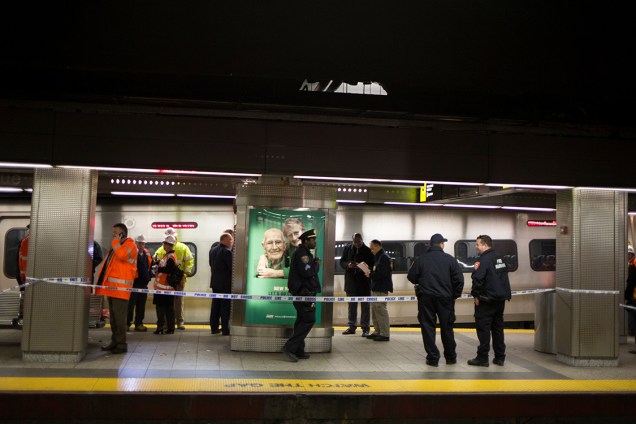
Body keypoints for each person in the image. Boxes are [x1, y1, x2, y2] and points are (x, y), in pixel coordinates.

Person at [407, 233, 464, 366]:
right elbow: (459, 280)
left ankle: (433, 358)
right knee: (447, 328)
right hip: (446, 299)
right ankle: (450, 357)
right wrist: (454, 295)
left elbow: (411, 277)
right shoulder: (450, 260)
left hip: (426, 299)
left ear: (431, 245)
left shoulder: (421, 259)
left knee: (428, 328)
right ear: (442, 245)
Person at [467, 234, 512, 367]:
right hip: (500, 300)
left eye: (477, 244)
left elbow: (477, 279)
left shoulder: (483, 260)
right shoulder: (500, 258)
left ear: (485, 245)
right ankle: (500, 357)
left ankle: (482, 358)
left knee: (484, 329)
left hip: (486, 301)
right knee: (498, 329)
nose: (476, 247)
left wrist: (475, 295)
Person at [95, 223, 138, 354]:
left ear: (123, 234)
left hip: (121, 289)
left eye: (116, 233)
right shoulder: (117, 246)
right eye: (113, 233)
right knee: (113, 319)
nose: (113, 235)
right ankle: (115, 341)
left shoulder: (130, 245)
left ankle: (121, 344)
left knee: (119, 318)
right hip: (112, 288)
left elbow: (122, 256)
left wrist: (115, 241)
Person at [282, 229, 321, 362]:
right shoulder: (302, 254)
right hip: (304, 293)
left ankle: (299, 350)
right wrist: (316, 265)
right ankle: (289, 347)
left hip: (305, 293)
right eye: (313, 240)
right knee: (308, 320)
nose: (315, 242)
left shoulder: (304, 253)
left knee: (301, 321)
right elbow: (308, 272)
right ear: (306, 241)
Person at [153, 227, 194, 330]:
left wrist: (185, 273)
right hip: (175, 280)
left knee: (169, 303)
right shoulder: (181, 247)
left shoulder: (165, 248)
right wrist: (184, 274)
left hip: (170, 280)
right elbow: (190, 262)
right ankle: (177, 323)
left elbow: (189, 262)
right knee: (176, 302)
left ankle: (171, 323)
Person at [339, 233, 374, 336]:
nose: (357, 243)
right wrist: (348, 265)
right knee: (351, 306)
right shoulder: (347, 249)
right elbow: (341, 262)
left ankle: (365, 328)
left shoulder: (368, 251)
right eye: (355, 242)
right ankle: (351, 327)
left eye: (359, 241)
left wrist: (364, 267)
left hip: (364, 283)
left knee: (365, 307)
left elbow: (372, 265)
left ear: (362, 240)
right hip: (351, 283)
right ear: (352, 240)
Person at [365, 239, 393, 342]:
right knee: (375, 311)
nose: (371, 250)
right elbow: (377, 270)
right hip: (376, 287)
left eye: (372, 248)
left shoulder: (384, 257)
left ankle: (384, 334)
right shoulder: (378, 257)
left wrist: (370, 274)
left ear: (378, 246)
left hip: (381, 288)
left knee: (381, 311)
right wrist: (369, 269)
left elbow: (383, 274)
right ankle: (377, 331)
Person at [153, 235, 179, 335]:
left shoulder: (170, 257)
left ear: (169, 245)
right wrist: (158, 263)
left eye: (165, 243)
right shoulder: (167, 256)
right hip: (165, 288)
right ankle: (170, 328)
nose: (164, 245)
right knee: (169, 309)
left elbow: (169, 269)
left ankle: (161, 327)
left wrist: (158, 269)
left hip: (163, 288)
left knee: (161, 309)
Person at [210, 232, 234, 335]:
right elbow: (232, 268)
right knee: (225, 307)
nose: (232, 242)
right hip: (225, 284)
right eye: (231, 240)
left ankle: (214, 328)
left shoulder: (212, 250)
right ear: (225, 240)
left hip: (215, 282)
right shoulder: (227, 252)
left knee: (215, 305)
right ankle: (225, 329)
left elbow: (211, 264)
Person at [127, 234, 152, 332]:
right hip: (133, 284)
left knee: (141, 306)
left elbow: (150, 266)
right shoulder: (132, 253)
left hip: (143, 284)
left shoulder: (147, 254)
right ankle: (127, 324)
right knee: (130, 305)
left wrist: (149, 276)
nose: (141, 245)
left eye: (143, 243)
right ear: (135, 243)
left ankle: (139, 324)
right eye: (139, 243)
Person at [625, 246, 636, 354]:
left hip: (635, 298)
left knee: (634, 321)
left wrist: (627, 296)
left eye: (628, 254)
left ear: (631, 255)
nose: (626, 256)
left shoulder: (633, 265)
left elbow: (631, 283)